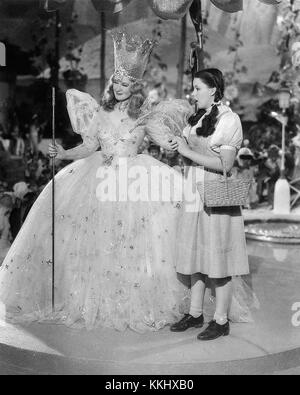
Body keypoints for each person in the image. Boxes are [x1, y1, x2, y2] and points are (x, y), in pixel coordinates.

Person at [0, 32, 191, 332]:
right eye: (116, 81)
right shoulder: (100, 113)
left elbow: (166, 142)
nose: (118, 87)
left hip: (136, 180)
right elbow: (89, 146)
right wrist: (63, 152)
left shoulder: (144, 117)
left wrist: (182, 145)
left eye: (125, 83)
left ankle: (135, 297)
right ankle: (90, 297)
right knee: (91, 237)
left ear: (136, 86)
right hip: (97, 176)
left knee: (137, 239)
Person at [170, 69, 257, 341]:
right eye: (193, 88)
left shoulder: (229, 120)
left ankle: (221, 320)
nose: (193, 93)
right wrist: (180, 148)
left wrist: (186, 151)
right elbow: (193, 156)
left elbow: (225, 164)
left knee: (218, 258)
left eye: (197, 88)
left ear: (213, 90)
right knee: (195, 254)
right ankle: (195, 314)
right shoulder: (198, 119)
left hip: (216, 191)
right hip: (194, 188)